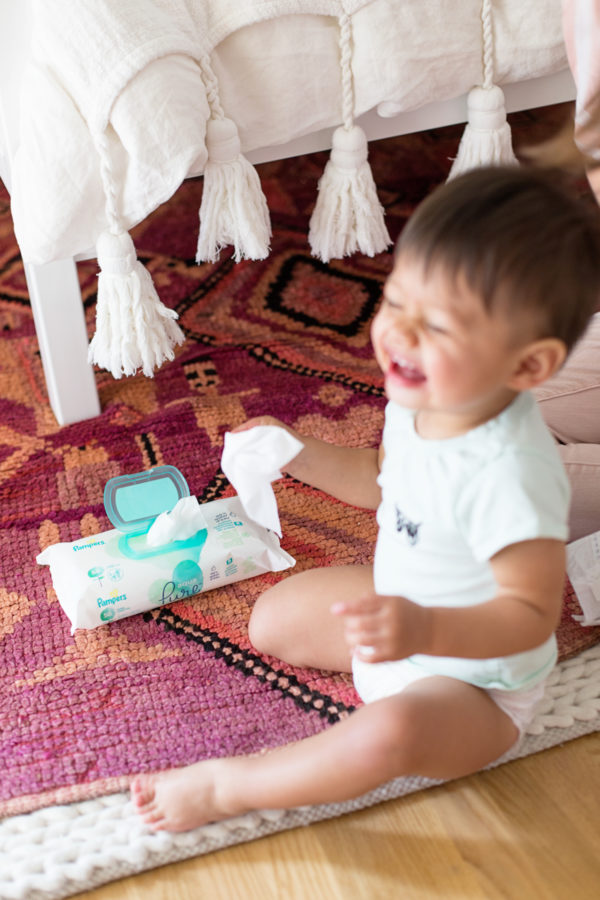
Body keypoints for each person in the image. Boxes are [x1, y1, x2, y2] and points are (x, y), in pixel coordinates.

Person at [131, 166, 600, 832]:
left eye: (439, 327)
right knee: (273, 621)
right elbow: (384, 482)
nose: (400, 335)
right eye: (398, 302)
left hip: (475, 689)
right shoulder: (421, 396)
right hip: (401, 623)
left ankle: (232, 788)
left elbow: (528, 617)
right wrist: (298, 453)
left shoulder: (512, 473)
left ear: (527, 367)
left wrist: (425, 630)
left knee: (389, 733)